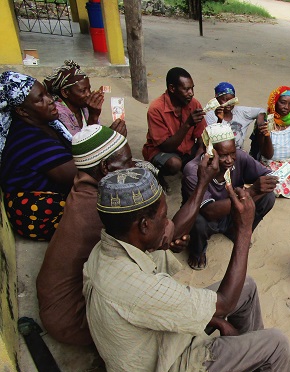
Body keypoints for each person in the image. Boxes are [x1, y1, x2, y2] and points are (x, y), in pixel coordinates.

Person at [84, 167, 290, 372]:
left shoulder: (107, 250)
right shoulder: (136, 288)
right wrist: (243, 228)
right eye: (162, 217)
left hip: (153, 343)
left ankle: (241, 364)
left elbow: (175, 228)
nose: (168, 223)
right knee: (276, 344)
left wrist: (201, 185)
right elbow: (224, 304)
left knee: (245, 285)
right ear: (144, 226)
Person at [36, 124, 208, 345]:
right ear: (105, 167)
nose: (134, 166)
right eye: (126, 162)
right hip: (72, 318)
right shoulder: (101, 209)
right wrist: (202, 183)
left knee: (157, 254)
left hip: (57, 305)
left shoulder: (85, 187)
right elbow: (164, 235)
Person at [183, 123, 277, 270]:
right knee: (198, 220)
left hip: (231, 212)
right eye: (223, 155)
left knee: (268, 197)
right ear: (209, 152)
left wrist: (269, 180)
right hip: (208, 217)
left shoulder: (239, 156)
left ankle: (235, 230)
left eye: (232, 153)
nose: (229, 160)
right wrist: (251, 191)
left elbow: (267, 174)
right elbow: (209, 211)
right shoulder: (193, 170)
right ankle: (197, 251)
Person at [0, 71, 76, 240]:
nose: (50, 100)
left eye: (47, 93)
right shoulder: (27, 138)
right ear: (22, 111)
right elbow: (75, 176)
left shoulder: (48, 124)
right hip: (37, 214)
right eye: (40, 98)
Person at [142, 67, 206, 178]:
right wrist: (187, 124)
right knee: (174, 164)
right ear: (172, 88)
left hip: (187, 150)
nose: (191, 93)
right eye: (186, 89)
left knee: (213, 153)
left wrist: (199, 154)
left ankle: (188, 166)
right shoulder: (156, 109)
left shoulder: (194, 103)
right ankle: (158, 174)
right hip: (163, 151)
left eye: (192, 88)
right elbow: (166, 147)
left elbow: (202, 135)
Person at [43, 59, 125, 137]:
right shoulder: (58, 113)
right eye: (83, 91)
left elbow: (96, 135)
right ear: (65, 93)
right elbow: (79, 146)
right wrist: (93, 115)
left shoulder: (84, 108)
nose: (88, 94)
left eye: (89, 89)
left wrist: (111, 132)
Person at [204, 82, 266, 151]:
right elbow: (214, 140)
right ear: (216, 99)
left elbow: (261, 110)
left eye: (231, 100)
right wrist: (219, 120)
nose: (229, 104)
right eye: (225, 99)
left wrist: (260, 120)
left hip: (238, 153)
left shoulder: (241, 112)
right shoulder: (211, 115)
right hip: (220, 153)